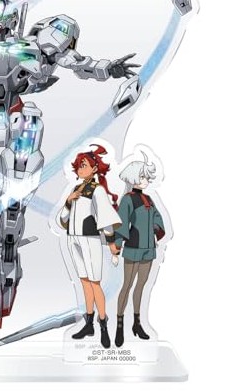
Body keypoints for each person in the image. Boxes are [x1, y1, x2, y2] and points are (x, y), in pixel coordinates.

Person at [58, 145, 121, 348]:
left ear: (94, 168)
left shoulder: (97, 190)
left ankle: (103, 326)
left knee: (94, 283)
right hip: (73, 239)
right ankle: (89, 324)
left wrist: (111, 243)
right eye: (78, 166)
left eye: (84, 165)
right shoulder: (75, 190)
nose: (80, 169)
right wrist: (68, 202)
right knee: (84, 282)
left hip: (90, 239)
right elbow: (63, 221)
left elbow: (105, 218)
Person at [109, 152, 166, 345]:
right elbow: (122, 223)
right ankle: (119, 325)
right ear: (133, 177)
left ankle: (137, 323)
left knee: (141, 285)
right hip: (133, 247)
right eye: (142, 176)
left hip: (148, 248)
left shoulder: (148, 199)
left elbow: (158, 218)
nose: (146, 180)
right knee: (127, 285)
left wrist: (155, 229)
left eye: (147, 177)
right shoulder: (128, 199)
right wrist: (117, 248)